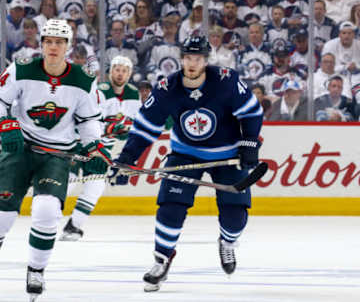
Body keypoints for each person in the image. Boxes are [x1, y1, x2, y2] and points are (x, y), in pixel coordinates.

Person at [0, 18, 109, 302]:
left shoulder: (83, 81)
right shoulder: (21, 69)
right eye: (48, 41)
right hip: (20, 151)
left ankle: (36, 270)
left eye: (59, 42)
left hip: (56, 156)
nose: (53, 47)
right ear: (41, 44)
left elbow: (89, 122)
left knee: (46, 211)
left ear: (68, 46)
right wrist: (4, 125)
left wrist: (95, 149)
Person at [109, 35, 264, 292]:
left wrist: (249, 142)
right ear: (181, 59)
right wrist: (127, 159)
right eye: (188, 57)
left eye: (198, 58)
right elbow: (146, 127)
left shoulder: (226, 80)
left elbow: (251, 112)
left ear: (206, 60)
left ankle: (227, 243)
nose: (193, 63)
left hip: (228, 155)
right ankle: (162, 259)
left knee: (235, 216)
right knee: (171, 207)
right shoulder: (167, 88)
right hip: (185, 153)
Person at [60, 55, 141, 241]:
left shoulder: (133, 94)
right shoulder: (100, 90)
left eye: (124, 71)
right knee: (69, 181)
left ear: (129, 74)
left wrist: (128, 129)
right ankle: (48, 217)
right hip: (81, 142)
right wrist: (111, 128)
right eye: (117, 70)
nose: (120, 74)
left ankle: (73, 226)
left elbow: (131, 124)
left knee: (95, 185)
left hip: (102, 149)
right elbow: (89, 119)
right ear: (110, 71)